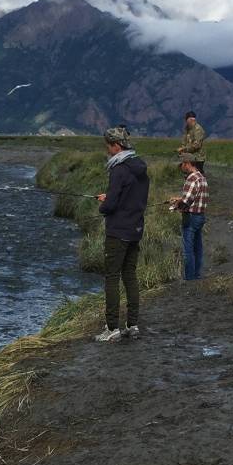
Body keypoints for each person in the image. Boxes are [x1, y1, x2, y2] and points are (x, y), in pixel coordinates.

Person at [94, 126, 150, 342]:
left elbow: (111, 205)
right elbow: (132, 196)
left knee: (111, 278)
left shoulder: (118, 170)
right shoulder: (140, 168)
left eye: (108, 145)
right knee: (130, 276)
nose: (107, 149)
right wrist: (111, 197)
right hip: (136, 229)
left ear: (116, 146)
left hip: (118, 231)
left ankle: (112, 328)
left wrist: (103, 204)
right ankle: (132, 325)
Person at [168, 154, 208, 281]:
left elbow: (186, 202)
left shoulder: (191, 178)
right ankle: (196, 275)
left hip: (190, 217)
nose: (181, 167)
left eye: (182, 165)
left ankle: (190, 278)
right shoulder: (202, 177)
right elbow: (195, 197)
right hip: (200, 216)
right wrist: (179, 199)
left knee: (188, 250)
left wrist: (174, 206)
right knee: (198, 247)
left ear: (187, 163)